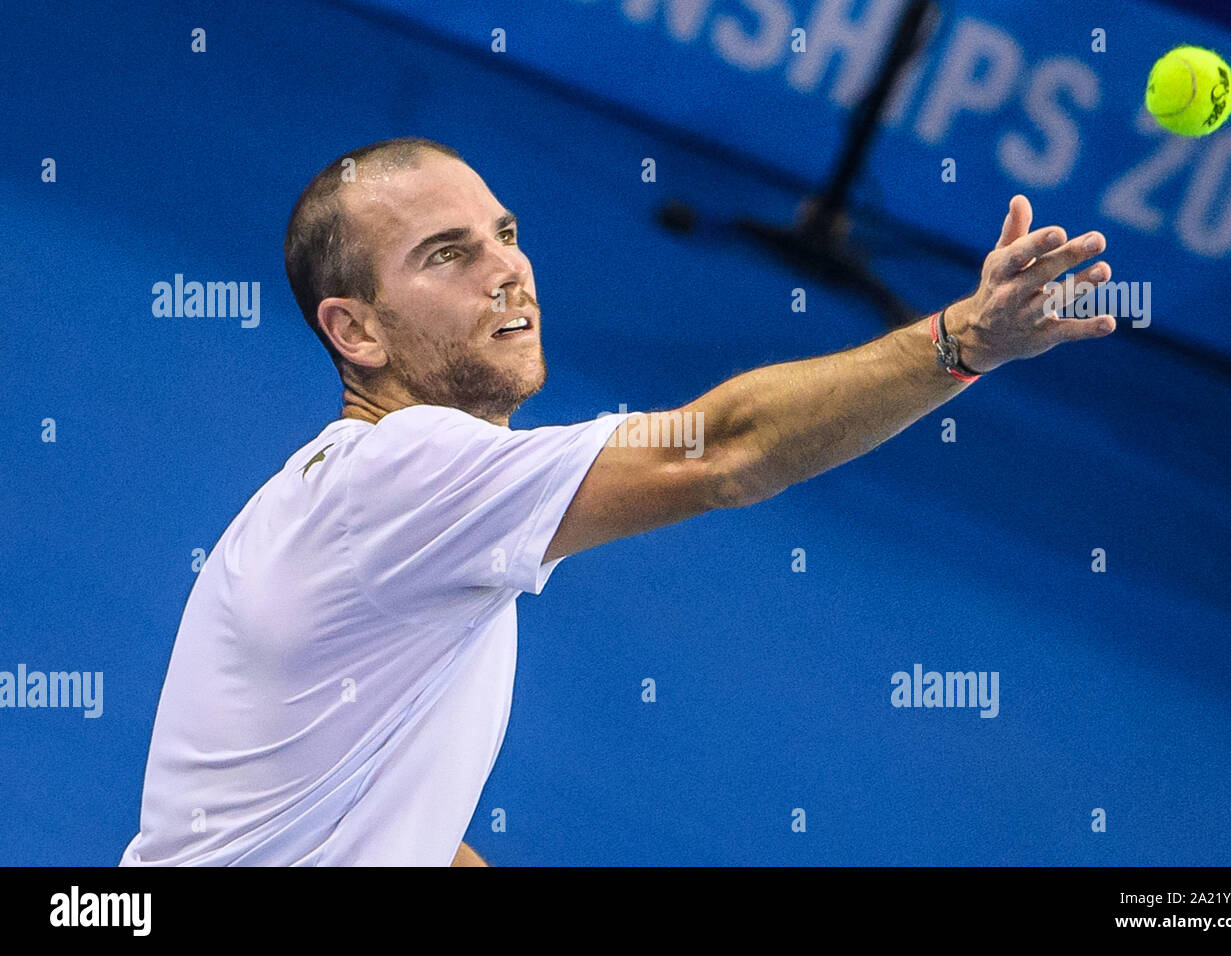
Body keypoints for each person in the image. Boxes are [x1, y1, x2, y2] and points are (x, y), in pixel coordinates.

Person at [119, 137, 1114, 867]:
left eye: (503, 234)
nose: (506, 266)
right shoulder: (406, 469)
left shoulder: (375, 498)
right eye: (447, 254)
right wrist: (964, 341)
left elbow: (371, 814)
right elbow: (721, 449)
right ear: (357, 331)